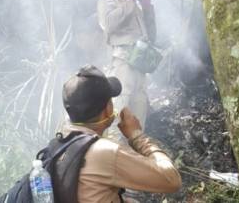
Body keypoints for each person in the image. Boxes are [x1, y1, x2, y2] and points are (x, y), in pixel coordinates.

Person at [62, 65, 181, 203]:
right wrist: (136, 135)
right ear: (107, 109)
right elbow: (172, 179)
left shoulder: (59, 146)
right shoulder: (104, 152)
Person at [97, 0, 157, 138]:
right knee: (118, 120)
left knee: (138, 126)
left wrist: (147, 9)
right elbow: (108, 24)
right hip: (123, 64)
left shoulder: (137, 6)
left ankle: (135, 162)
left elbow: (152, 37)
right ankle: (115, 161)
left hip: (140, 68)